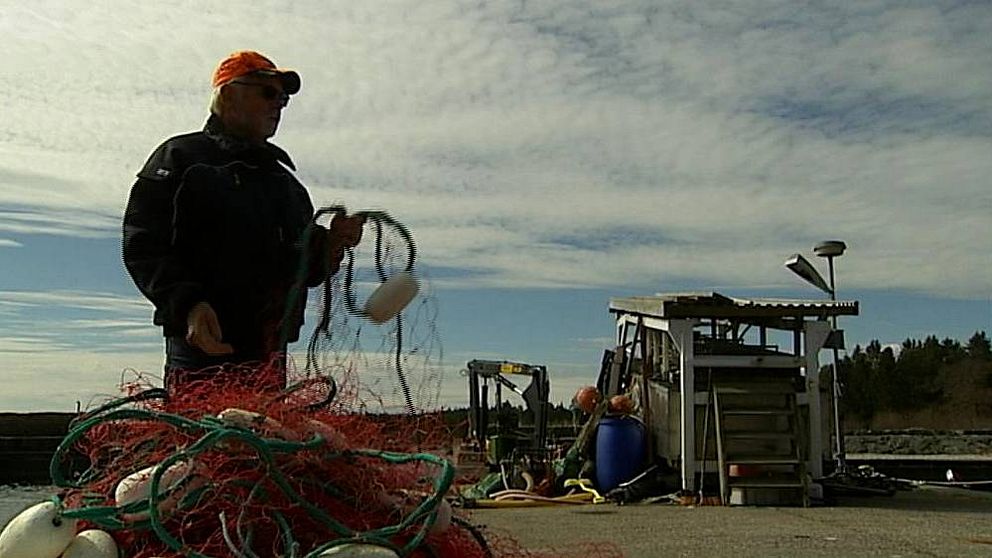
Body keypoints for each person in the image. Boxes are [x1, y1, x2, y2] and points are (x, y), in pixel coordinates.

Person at [123, 50, 363, 392]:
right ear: (229, 93)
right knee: (205, 442)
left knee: (263, 443)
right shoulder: (182, 158)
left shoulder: (287, 185)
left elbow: (304, 270)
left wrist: (333, 244)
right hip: (201, 351)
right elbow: (144, 244)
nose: (278, 104)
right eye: (268, 93)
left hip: (268, 358)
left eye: (283, 99)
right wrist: (188, 305)